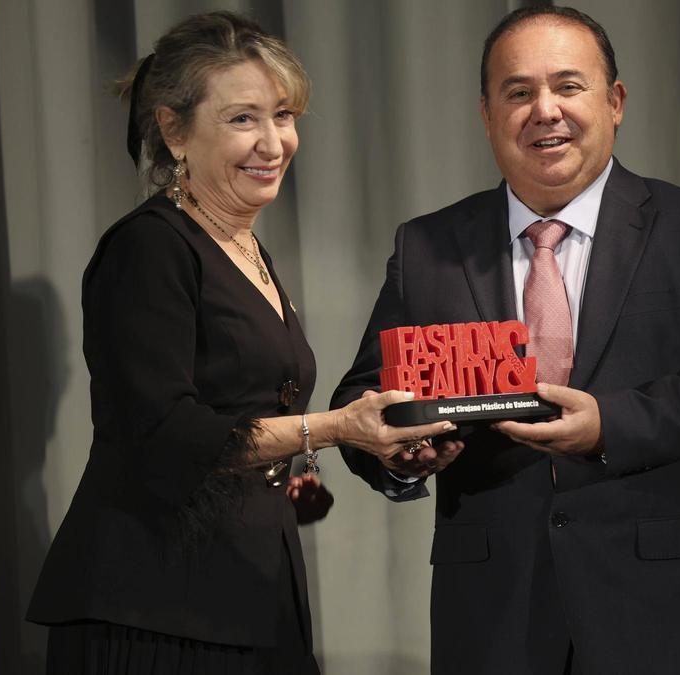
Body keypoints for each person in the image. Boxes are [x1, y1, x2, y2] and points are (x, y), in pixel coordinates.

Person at [331, 6, 680, 674]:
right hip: (492, 614)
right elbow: (362, 397)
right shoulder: (428, 245)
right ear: (487, 115)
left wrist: (610, 423)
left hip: (656, 607)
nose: (544, 110)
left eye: (568, 86)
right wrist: (401, 452)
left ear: (615, 101)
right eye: (518, 92)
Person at [26, 11, 456, 674]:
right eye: (241, 119)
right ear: (174, 131)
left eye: (282, 115)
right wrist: (335, 427)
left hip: (246, 592)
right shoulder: (149, 247)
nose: (273, 142)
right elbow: (167, 432)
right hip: (158, 609)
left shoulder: (242, 245)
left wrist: (392, 441)